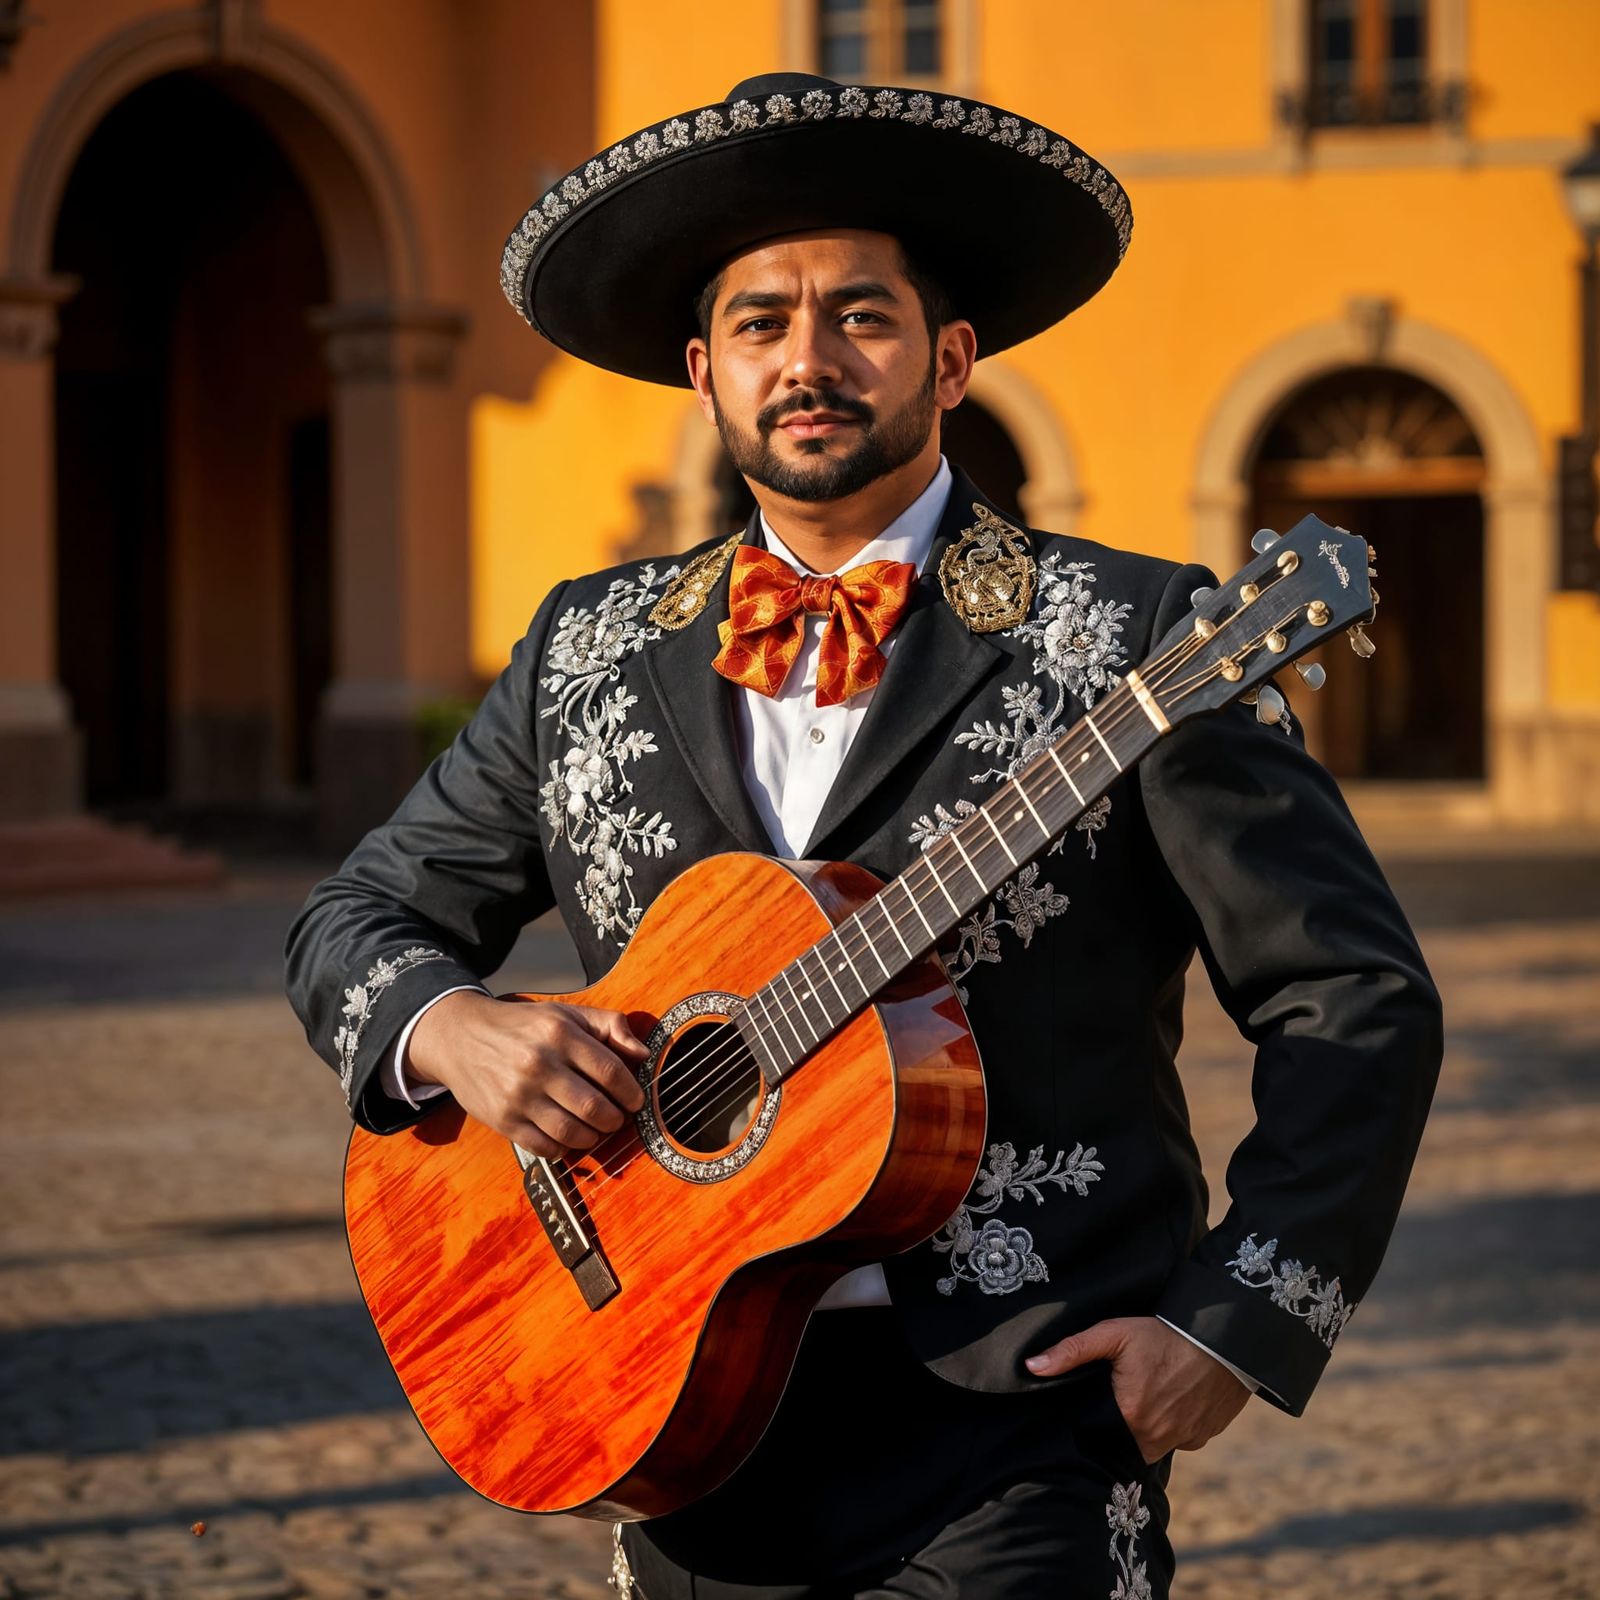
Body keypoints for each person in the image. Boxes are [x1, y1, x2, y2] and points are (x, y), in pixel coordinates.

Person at [284, 72, 1443, 1600]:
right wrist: (458, 1032)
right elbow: (355, 919)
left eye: (861, 317)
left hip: (1018, 1420)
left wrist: (1237, 1318)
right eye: (761, 323)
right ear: (704, 372)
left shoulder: (1137, 639)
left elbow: (1353, 996)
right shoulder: (587, 652)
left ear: (950, 360)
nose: (808, 360)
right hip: (667, 1402)